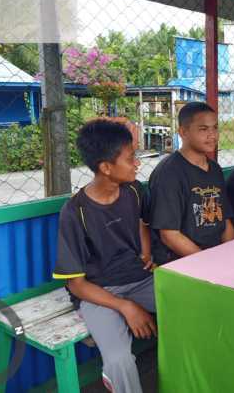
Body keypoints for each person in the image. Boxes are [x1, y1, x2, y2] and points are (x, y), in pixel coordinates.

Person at [52, 119, 156, 393]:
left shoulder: (134, 191)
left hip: (141, 279)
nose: (137, 164)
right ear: (106, 168)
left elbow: (143, 222)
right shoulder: (75, 212)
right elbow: (76, 284)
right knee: (120, 360)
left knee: (190, 307)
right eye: (131, 158)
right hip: (99, 292)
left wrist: (146, 250)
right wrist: (125, 307)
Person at [148, 102, 234, 265]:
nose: (212, 135)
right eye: (203, 129)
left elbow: (225, 222)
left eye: (215, 128)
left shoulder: (214, 169)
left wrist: (230, 254)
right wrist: (209, 263)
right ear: (183, 132)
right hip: (182, 262)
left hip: (215, 255)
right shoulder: (169, 174)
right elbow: (169, 236)